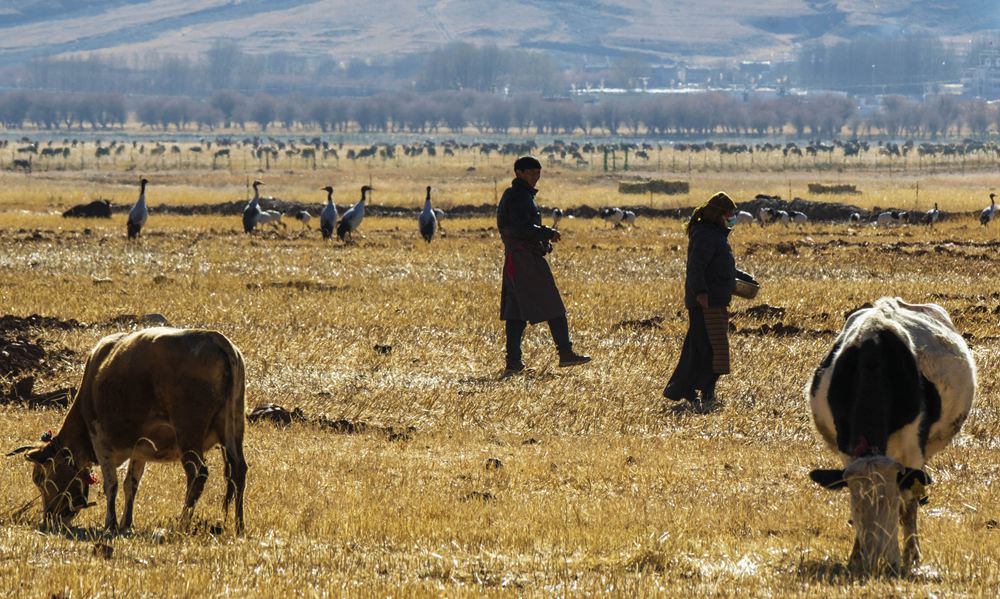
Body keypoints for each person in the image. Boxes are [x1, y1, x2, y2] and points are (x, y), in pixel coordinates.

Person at [497, 156, 591, 378]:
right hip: (524, 259)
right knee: (552, 302)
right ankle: (565, 353)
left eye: (537, 173)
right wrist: (546, 233)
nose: (535, 177)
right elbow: (522, 228)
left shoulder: (519, 194)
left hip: (517, 258)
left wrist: (542, 238)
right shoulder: (519, 196)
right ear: (518, 173)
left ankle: (513, 363)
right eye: (531, 173)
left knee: (516, 312)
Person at [663, 191, 752, 412]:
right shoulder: (705, 235)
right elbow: (696, 268)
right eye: (729, 214)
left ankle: (690, 389)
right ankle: (699, 390)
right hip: (706, 302)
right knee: (712, 348)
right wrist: (701, 293)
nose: (732, 217)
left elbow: (718, 264)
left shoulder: (715, 234)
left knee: (705, 347)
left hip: (716, 299)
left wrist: (740, 276)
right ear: (718, 214)